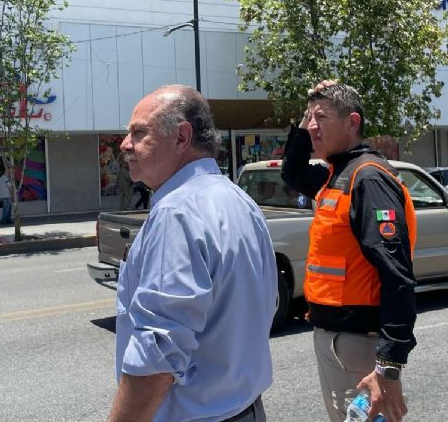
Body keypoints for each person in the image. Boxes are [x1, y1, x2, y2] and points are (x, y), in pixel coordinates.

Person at [107, 85, 277, 422]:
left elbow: (156, 357)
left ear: (182, 137)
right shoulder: (239, 199)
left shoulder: (176, 213)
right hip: (246, 410)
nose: (125, 144)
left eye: (139, 132)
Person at [281, 81, 417, 422]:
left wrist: (388, 366)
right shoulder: (337, 174)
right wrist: (307, 112)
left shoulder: (368, 178)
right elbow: (292, 171)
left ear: (352, 122)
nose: (312, 126)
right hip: (337, 340)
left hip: (358, 345)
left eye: (321, 117)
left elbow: (396, 275)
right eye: (309, 118)